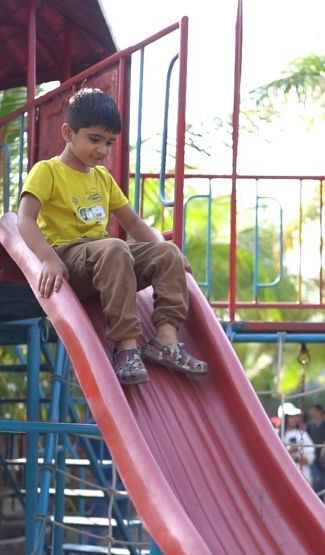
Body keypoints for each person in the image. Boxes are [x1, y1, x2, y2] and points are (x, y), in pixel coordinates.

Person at [17, 87, 206, 385]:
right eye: (94, 139)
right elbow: (24, 219)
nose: (102, 150)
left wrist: (165, 250)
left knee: (167, 251)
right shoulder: (48, 171)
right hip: (71, 260)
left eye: (109, 143)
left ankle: (166, 340)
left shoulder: (102, 178)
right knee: (115, 247)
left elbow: (132, 221)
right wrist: (48, 259)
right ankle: (126, 348)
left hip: (106, 260)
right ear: (68, 133)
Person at [304, 404, 325, 497]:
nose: (312, 412)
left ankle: (320, 500)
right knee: (316, 479)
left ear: (319, 412)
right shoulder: (310, 425)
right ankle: (315, 498)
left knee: (322, 480)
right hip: (314, 457)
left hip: (324, 458)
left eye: (314, 410)